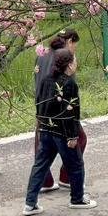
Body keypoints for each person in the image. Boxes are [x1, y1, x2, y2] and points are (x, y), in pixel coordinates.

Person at [23, 49, 97, 216]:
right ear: (69, 65)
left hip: (46, 129)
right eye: (75, 60)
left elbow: (39, 103)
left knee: (40, 166)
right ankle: (77, 199)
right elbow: (71, 112)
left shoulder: (45, 80)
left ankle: (30, 203)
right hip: (63, 133)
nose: (76, 63)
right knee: (76, 165)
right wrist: (72, 135)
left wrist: (41, 125)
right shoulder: (69, 84)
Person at [33, 29, 88, 192]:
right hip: (60, 109)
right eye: (75, 45)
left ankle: (44, 181)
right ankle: (67, 177)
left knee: (42, 144)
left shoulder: (42, 54)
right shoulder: (65, 58)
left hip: (42, 106)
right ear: (70, 41)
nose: (75, 49)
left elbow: (37, 81)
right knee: (79, 139)